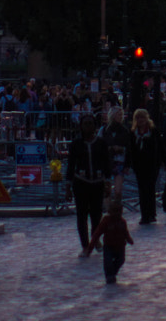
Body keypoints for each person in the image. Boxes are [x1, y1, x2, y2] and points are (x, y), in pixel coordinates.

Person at [66, 117, 109, 256]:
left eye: (91, 123)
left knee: (97, 214)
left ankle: (95, 239)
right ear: (81, 126)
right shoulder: (76, 144)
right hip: (81, 182)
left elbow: (106, 163)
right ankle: (85, 246)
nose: (88, 126)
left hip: (97, 182)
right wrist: (68, 185)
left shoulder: (101, 143)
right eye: (86, 124)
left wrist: (108, 182)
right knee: (81, 215)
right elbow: (71, 165)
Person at [127, 108, 165, 224]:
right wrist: (130, 164)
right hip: (139, 166)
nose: (140, 120)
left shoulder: (153, 131)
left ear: (147, 118)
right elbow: (131, 150)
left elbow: (161, 148)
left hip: (152, 165)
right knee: (142, 190)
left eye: (142, 117)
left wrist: (165, 162)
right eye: (138, 118)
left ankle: (151, 213)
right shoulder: (133, 133)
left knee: (150, 188)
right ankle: (144, 215)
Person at [96, 198, 134, 284]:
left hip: (120, 246)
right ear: (109, 211)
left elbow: (125, 232)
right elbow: (98, 233)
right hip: (108, 245)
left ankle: (112, 273)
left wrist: (129, 239)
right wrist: (91, 245)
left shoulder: (122, 222)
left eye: (119, 211)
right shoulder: (106, 221)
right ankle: (109, 275)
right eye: (114, 211)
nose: (117, 214)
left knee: (121, 260)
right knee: (108, 261)